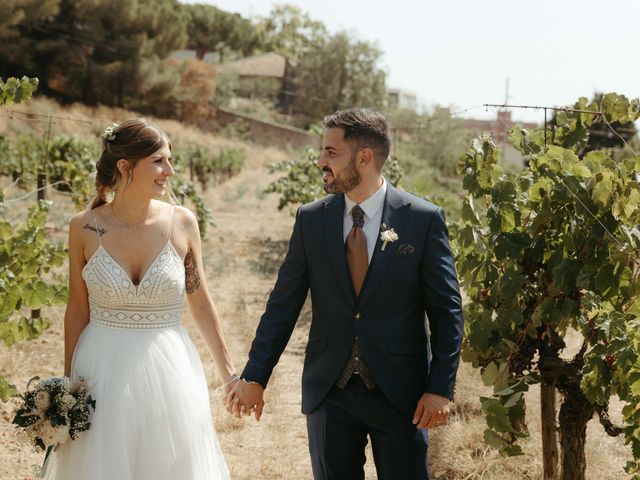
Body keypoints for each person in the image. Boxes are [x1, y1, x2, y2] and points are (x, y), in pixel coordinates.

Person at [226, 109, 464, 479]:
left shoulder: (422, 219)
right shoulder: (311, 219)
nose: (321, 161)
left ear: (364, 158)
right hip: (329, 391)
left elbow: (447, 311)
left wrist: (440, 388)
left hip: (402, 394)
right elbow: (282, 305)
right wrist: (256, 376)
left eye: (331, 152)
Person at [43, 119, 236, 480]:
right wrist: (68, 386)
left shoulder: (183, 222)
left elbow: (201, 303)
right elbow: (77, 310)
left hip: (170, 367)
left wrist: (229, 375)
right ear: (125, 166)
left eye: (170, 160)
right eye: (160, 161)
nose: (170, 171)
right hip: (100, 368)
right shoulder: (83, 226)